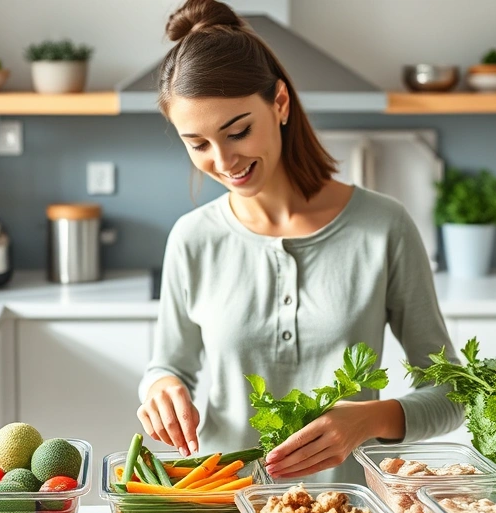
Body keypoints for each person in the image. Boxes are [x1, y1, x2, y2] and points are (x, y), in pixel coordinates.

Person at [136, 0, 463, 484]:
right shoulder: (192, 238)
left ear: (281, 103)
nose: (224, 161)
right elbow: (169, 365)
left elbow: (453, 394)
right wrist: (160, 387)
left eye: (238, 131)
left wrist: (367, 419)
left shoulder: (383, 227)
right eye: (198, 144)